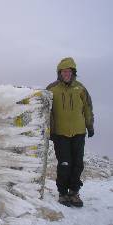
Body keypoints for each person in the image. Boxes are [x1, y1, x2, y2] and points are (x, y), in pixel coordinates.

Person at [47, 57, 94, 207]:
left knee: (78, 164)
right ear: (59, 73)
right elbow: (46, 111)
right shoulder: (51, 89)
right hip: (60, 134)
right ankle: (62, 193)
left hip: (79, 132)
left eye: (69, 71)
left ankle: (74, 192)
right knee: (64, 164)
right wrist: (49, 130)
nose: (66, 74)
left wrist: (90, 126)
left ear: (73, 72)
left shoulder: (80, 88)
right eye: (63, 71)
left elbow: (87, 108)